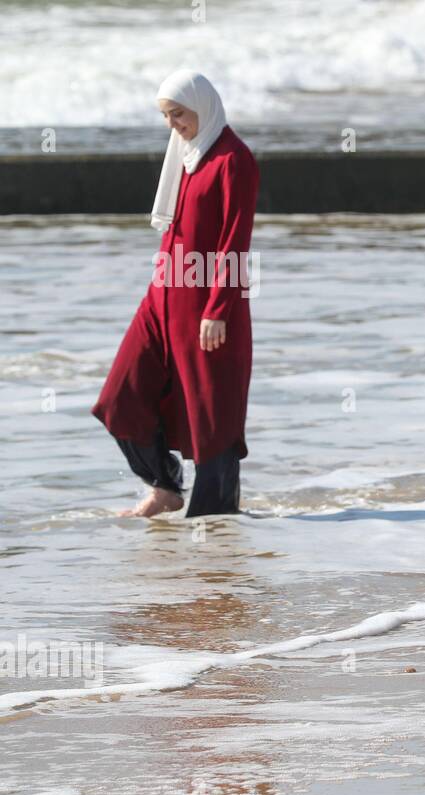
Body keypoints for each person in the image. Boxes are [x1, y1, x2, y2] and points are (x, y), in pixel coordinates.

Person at [93, 70, 259, 518]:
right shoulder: (185, 155)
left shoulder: (233, 159)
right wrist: (155, 296)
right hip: (163, 299)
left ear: (202, 108)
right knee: (119, 398)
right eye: (166, 116)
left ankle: (217, 528)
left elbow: (234, 241)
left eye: (178, 114)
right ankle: (165, 487)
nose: (172, 124)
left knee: (213, 419)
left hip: (208, 309)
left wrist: (218, 308)